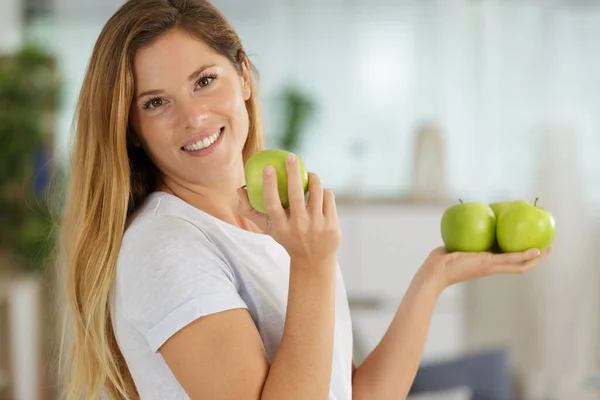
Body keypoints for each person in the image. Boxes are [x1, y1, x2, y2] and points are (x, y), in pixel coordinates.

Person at [59, 0, 552, 399]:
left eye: (205, 81)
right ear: (133, 131)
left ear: (244, 77)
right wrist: (313, 265)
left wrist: (433, 277)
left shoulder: (278, 225)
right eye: (156, 102)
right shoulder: (165, 248)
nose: (193, 116)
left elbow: (350, 393)